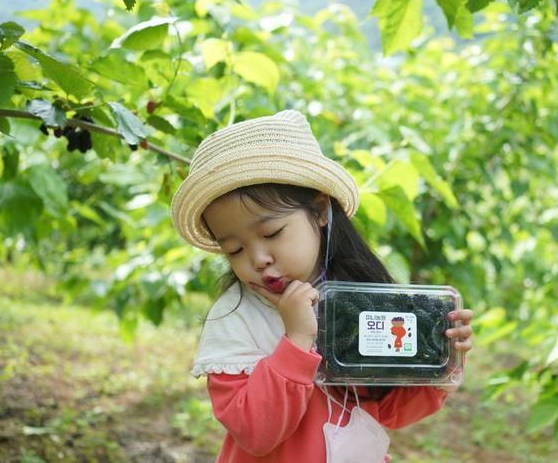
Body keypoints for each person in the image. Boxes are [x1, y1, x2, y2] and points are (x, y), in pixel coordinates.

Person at [170, 110, 474, 463]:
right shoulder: (236, 317)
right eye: (234, 249)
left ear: (319, 210)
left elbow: (389, 410)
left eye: (272, 234)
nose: (258, 258)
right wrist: (296, 342)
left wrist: (442, 362)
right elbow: (254, 432)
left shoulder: (358, 301)